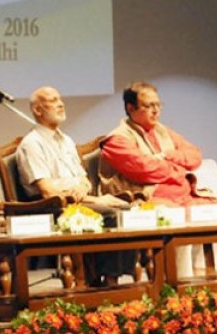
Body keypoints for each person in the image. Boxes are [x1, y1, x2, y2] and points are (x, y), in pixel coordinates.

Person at [15, 86, 133, 285]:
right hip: (51, 208)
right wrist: (94, 199)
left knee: (127, 209)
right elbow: (47, 191)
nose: (61, 104)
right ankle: (108, 282)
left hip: (78, 202)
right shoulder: (32, 144)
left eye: (60, 99)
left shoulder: (66, 140)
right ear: (38, 110)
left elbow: (84, 179)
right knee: (110, 213)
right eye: (53, 100)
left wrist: (84, 190)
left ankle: (111, 277)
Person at [99, 82, 217, 207]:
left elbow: (195, 156)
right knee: (178, 214)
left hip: (184, 197)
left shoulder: (162, 131)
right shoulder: (117, 140)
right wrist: (179, 170)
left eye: (158, 105)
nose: (156, 111)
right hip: (148, 201)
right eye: (149, 106)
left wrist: (167, 155)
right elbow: (146, 169)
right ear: (130, 108)